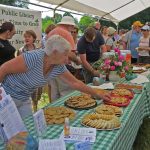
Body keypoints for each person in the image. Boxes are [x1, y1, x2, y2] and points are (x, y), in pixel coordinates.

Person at [0, 35, 111, 119]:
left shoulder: (58, 66)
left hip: (24, 99)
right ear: (54, 52)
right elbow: (3, 68)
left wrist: (97, 94)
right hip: (6, 97)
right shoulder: (33, 57)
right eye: (65, 54)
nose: (67, 59)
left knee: (26, 129)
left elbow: (75, 83)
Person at [47, 16, 81, 101]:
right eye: (72, 26)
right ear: (68, 25)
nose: (73, 28)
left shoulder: (51, 32)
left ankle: (54, 110)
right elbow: (70, 54)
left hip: (49, 66)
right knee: (66, 91)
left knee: (54, 91)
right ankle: (64, 111)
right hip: (61, 65)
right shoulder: (66, 34)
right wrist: (77, 60)